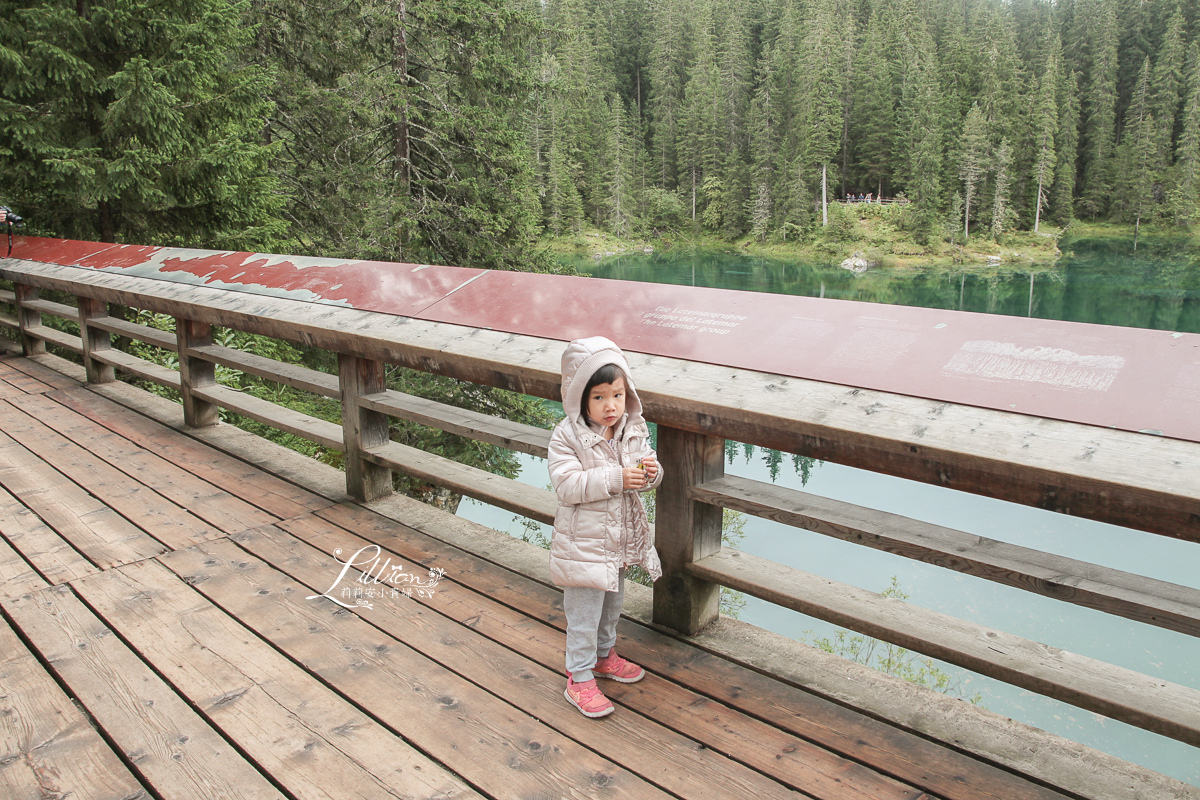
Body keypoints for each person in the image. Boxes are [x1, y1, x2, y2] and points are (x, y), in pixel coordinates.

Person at [548, 336, 663, 718]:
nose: (610, 405)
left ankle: (603, 655)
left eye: (616, 394)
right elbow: (567, 486)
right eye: (598, 397)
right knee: (583, 612)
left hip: (617, 541)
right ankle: (578, 678)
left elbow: (647, 468)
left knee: (612, 603)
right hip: (583, 544)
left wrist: (651, 473)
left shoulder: (632, 427)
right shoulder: (567, 436)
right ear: (580, 398)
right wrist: (615, 478)